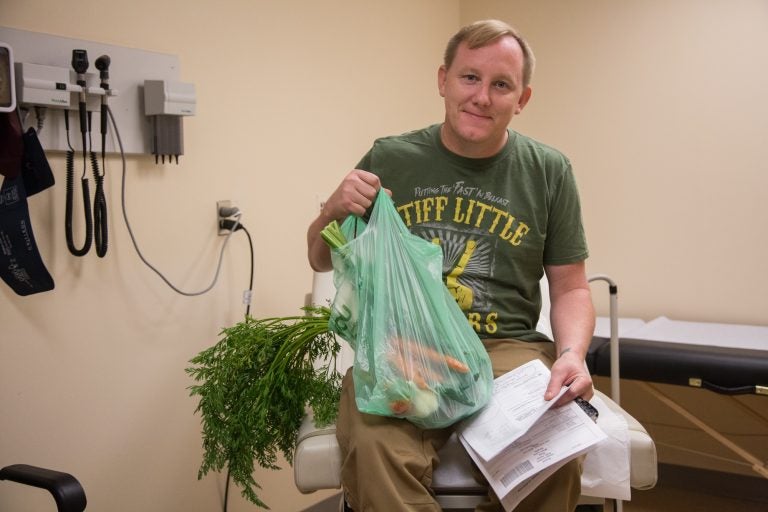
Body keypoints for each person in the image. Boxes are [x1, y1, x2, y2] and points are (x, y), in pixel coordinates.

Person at [306, 19, 595, 512]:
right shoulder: (391, 157)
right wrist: (332, 208)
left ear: (521, 98)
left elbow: (570, 288)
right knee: (377, 448)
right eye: (469, 78)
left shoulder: (548, 171)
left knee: (554, 451)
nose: (482, 96)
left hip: (508, 351)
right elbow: (319, 255)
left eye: (501, 84)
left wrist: (572, 354)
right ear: (443, 80)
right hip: (404, 349)